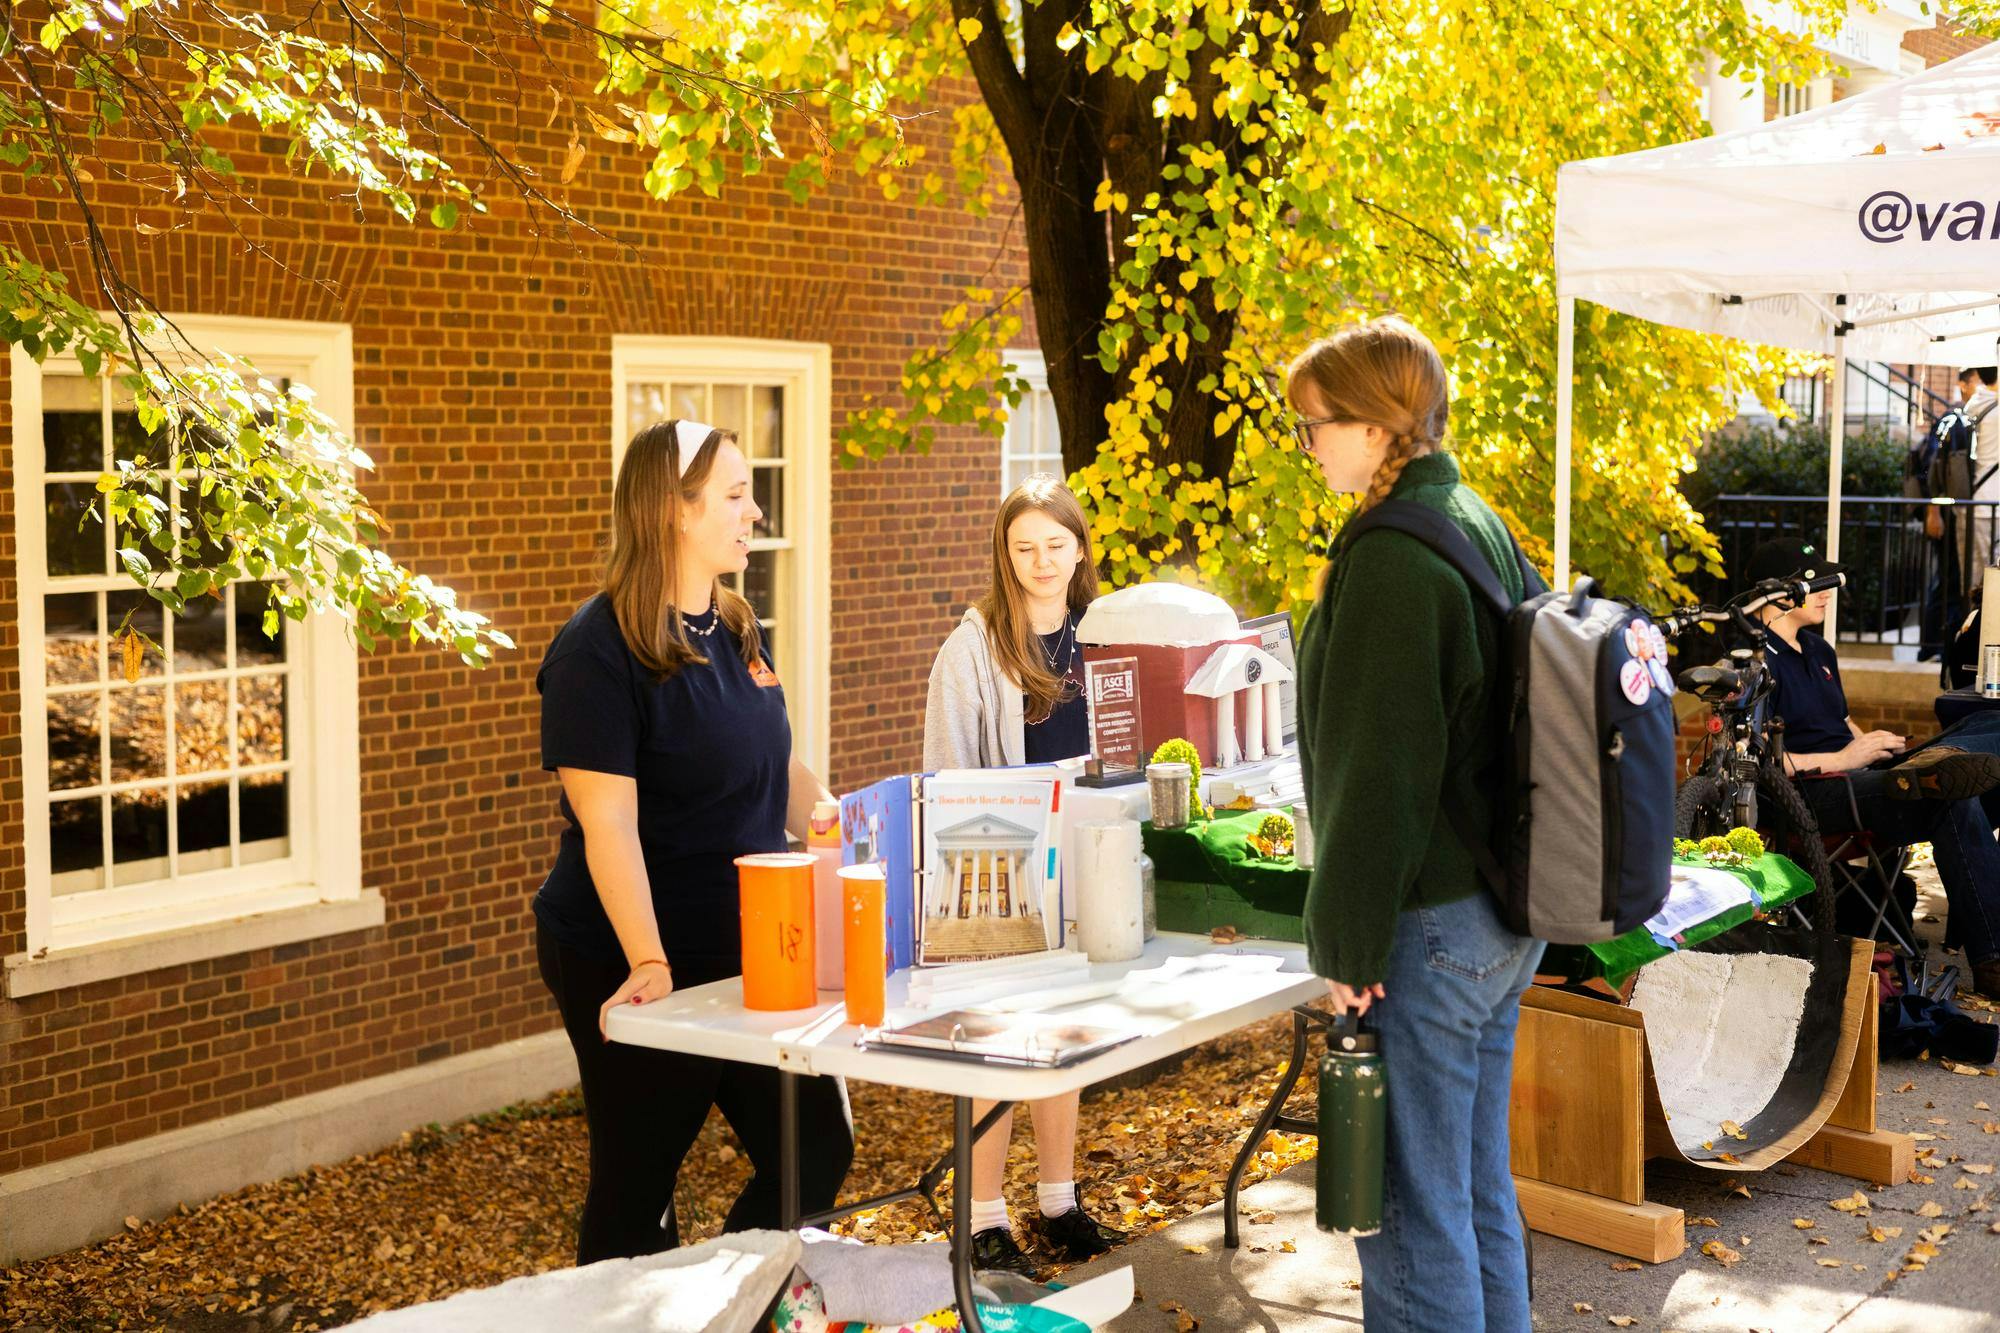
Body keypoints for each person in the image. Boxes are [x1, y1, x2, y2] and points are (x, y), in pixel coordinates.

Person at [534, 418, 853, 1264]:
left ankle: (730, 1305)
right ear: (673, 510)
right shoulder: (594, 654)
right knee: (641, 1185)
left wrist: (846, 827)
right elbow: (609, 832)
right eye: (737, 494)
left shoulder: (736, 625)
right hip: (630, 948)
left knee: (814, 1149)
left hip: (751, 943)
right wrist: (648, 962)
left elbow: (774, 765)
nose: (756, 509)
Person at [1287, 317, 1542, 1332]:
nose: (1306, 445)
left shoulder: (1393, 558)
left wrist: (1343, 945)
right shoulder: (1471, 517)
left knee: (1410, 1213)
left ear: (1375, 425)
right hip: (1493, 913)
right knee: (1473, 1190)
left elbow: (1379, 779)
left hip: (1428, 929)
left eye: (1313, 425)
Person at [921, 474, 1123, 1275]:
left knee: (1062, 1043)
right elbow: (943, 776)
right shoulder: (972, 647)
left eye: (1056, 544)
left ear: (1079, 550)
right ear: (1004, 556)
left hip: (1084, 869)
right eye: (1024, 546)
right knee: (996, 1049)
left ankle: (1058, 1202)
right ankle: (983, 1219)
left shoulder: (1100, 634)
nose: (1042, 560)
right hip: (997, 878)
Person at [1743, 537, 2000, 999]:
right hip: (1811, 792)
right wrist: (1846, 759)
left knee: (1988, 721)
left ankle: (1923, 764)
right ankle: (1993, 958)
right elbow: (1758, 759)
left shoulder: (1819, 651)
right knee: (1950, 798)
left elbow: (1840, 723)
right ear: (1780, 594)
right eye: (1814, 584)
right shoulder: (1753, 662)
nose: (1826, 592)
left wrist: (1873, 745)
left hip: (1860, 775)